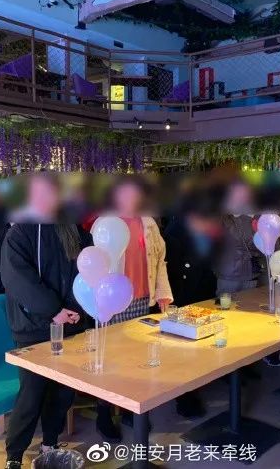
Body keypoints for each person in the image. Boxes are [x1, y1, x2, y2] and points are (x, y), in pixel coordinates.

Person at [1, 173, 89, 469]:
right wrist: (53, 309)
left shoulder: (73, 229)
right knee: (32, 392)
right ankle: (14, 454)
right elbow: (18, 279)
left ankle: (50, 442)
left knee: (63, 390)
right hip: (32, 327)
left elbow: (86, 270)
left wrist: (74, 308)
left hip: (70, 324)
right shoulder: (20, 233)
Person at [95, 175, 173, 440]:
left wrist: (163, 293)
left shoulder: (148, 223)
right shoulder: (105, 223)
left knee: (136, 359)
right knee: (108, 358)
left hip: (141, 299)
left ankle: (130, 409)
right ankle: (104, 413)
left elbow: (160, 260)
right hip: (113, 300)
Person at [164, 188, 222, 418]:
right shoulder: (175, 230)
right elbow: (174, 271)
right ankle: (185, 398)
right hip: (184, 298)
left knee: (199, 348)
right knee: (184, 352)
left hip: (203, 293)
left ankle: (194, 389)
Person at [215, 180, 262, 294]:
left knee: (250, 303)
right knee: (226, 304)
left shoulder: (258, 216)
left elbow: (268, 246)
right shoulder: (223, 216)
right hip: (229, 275)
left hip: (252, 274)